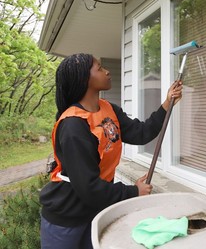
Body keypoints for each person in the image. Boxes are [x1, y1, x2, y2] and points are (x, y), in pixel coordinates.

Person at [39, 53, 183, 249]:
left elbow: (141, 133)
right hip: (67, 217)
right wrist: (134, 191)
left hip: (95, 211)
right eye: (99, 68)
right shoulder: (73, 125)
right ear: (84, 79)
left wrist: (167, 103)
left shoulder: (108, 109)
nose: (107, 71)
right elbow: (88, 187)